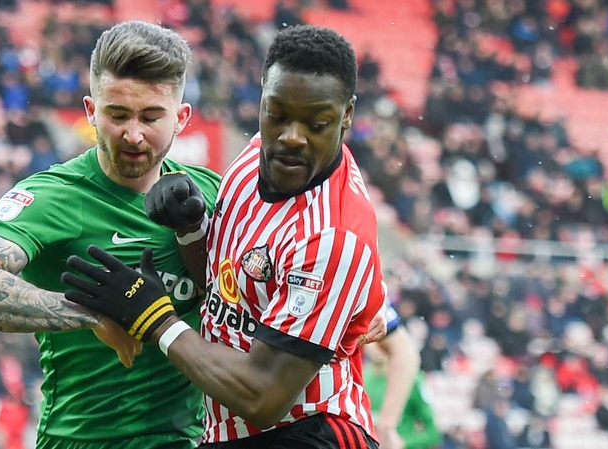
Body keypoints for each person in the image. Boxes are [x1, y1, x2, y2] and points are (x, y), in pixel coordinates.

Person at [61, 25, 385, 448]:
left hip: (308, 431)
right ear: (262, 95)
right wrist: (192, 230)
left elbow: (263, 395)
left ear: (347, 115)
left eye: (316, 123)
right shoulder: (253, 156)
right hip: (230, 432)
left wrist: (153, 319)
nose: (291, 136)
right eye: (277, 113)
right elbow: (228, 285)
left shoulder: (332, 236)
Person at [0, 21, 222, 449]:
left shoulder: (210, 193)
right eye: (117, 115)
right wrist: (100, 312)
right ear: (91, 110)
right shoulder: (52, 197)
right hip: (82, 440)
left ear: (182, 117)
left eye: (151, 117)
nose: (133, 134)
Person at [363, 299, 442, 449]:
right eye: (372, 336)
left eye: (382, 335)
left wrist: (403, 443)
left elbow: (432, 432)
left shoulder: (413, 380)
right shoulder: (357, 378)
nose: (376, 343)